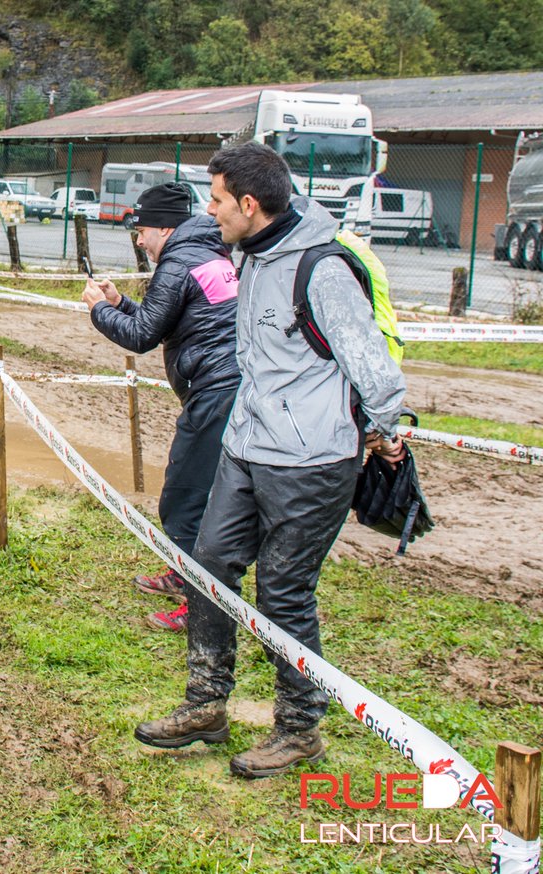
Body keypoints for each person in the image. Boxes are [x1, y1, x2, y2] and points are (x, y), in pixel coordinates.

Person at [132, 142, 407, 778]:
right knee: (208, 568)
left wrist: (382, 432)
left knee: (283, 592)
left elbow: (375, 370)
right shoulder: (249, 251)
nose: (209, 211)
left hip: (311, 463)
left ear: (250, 204)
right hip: (245, 448)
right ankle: (206, 703)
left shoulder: (323, 270)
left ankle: (298, 729)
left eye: (218, 200)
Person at [81, 182, 240, 632]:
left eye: (142, 230)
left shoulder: (178, 262)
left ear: (165, 229)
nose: (139, 241)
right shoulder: (206, 254)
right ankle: (183, 574)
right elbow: (162, 320)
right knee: (203, 496)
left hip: (216, 393)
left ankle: (200, 606)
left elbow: (141, 337)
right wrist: (118, 302)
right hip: (228, 390)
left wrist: (97, 310)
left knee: (183, 502)